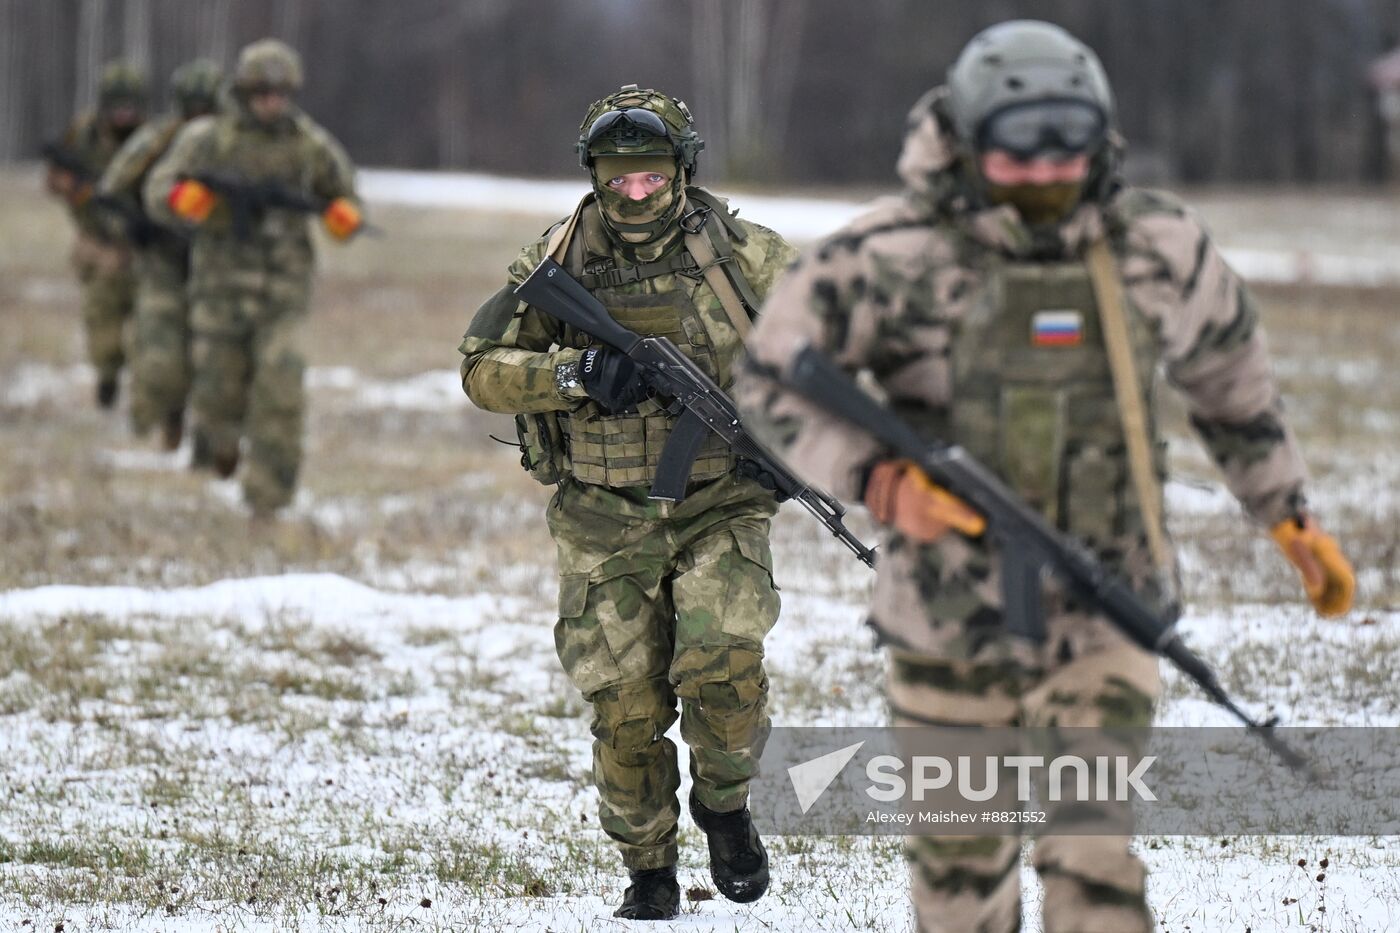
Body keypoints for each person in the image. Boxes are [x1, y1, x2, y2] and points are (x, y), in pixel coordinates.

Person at [736, 21, 1355, 933]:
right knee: (959, 883)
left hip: (1106, 610)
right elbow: (771, 378)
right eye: (1016, 156)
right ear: (970, 138)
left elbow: (1232, 382)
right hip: (944, 621)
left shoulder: (1156, 246)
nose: (1042, 177)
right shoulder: (889, 254)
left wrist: (1287, 512)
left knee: (1095, 858)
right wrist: (874, 479)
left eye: (1064, 153)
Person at [458, 85, 799, 920]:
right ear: (594, 175)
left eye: (651, 178)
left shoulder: (746, 256)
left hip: (721, 499)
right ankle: (648, 865)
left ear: (681, 171)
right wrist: (572, 376)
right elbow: (479, 367)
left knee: (724, 665)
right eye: (618, 179)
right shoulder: (558, 262)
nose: (634, 194)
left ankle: (724, 805)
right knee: (625, 705)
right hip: (603, 515)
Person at [144, 39, 363, 516]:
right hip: (219, 290)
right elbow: (158, 187)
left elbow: (343, 194)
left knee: (280, 390)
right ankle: (218, 447)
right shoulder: (209, 138)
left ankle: (269, 498)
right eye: (262, 92)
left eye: (280, 92)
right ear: (244, 91)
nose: (272, 102)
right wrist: (183, 198)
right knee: (218, 392)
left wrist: (344, 216)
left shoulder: (308, 144)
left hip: (283, 291)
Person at [99, 58, 223, 451]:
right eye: (193, 108)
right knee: (159, 354)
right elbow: (111, 191)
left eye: (207, 108)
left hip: (214, 263)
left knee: (210, 358)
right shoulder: (156, 139)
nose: (199, 118)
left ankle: (199, 435)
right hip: (161, 257)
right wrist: (134, 226)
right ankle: (150, 424)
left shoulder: (230, 142)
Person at [44, 60, 148, 408]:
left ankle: (151, 394)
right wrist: (80, 190)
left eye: (130, 106)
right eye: (117, 106)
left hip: (142, 245)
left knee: (149, 325)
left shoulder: (151, 137)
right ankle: (107, 378)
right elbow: (55, 179)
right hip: (97, 245)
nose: (124, 114)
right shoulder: (83, 132)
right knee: (102, 322)